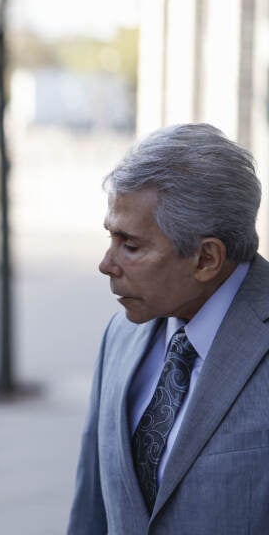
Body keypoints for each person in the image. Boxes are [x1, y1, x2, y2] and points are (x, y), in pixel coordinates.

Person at [68, 123, 269, 534]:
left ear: (206, 259)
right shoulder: (120, 335)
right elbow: (92, 510)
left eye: (131, 245)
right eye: (111, 237)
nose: (106, 264)